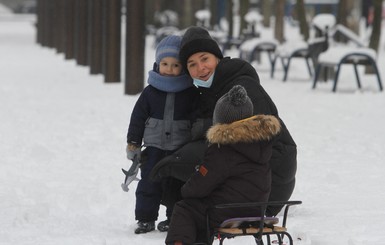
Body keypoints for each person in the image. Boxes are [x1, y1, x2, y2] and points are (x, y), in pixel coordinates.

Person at [150, 26, 297, 217]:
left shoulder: (242, 87)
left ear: (217, 58)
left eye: (205, 59)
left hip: (271, 184)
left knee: (190, 157)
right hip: (254, 177)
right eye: (192, 64)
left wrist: (202, 132)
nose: (200, 68)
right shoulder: (211, 89)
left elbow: (255, 140)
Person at [165, 85, 282, 245]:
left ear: (220, 120)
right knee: (201, 210)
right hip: (257, 210)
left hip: (228, 211)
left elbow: (201, 185)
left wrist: (186, 190)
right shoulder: (261, 144)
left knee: (186, 208)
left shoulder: (223, 149)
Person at [126, 35, 198, 234]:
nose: (170, 69)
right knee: (149, 183)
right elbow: (138, 118)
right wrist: (133, 142)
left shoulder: (190, 92)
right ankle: (145, 218)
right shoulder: (150, 92)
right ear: (157, 64)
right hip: (154, 148)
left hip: (179, 148)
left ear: (183, 67)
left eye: (175, 65)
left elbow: (196, 119)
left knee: (177, 185)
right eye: (165, 64)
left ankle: (174, 218)